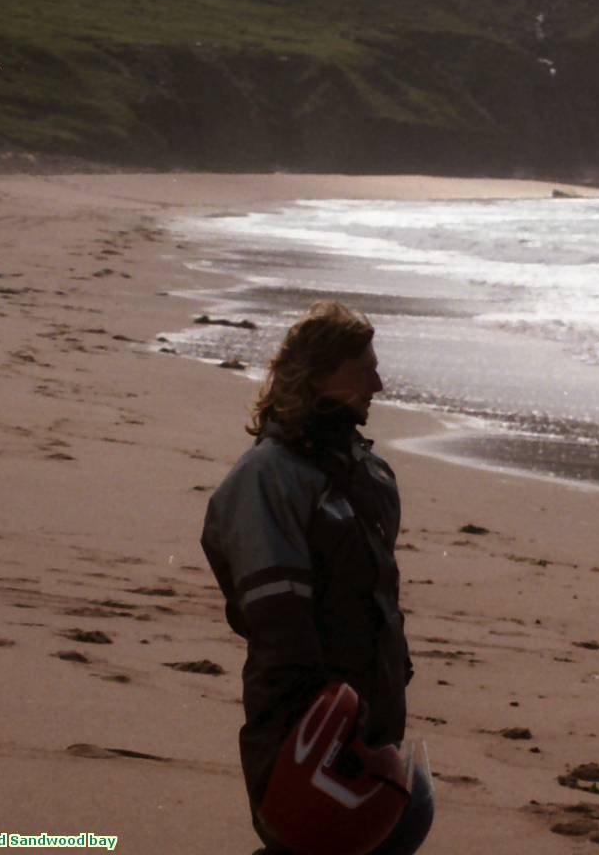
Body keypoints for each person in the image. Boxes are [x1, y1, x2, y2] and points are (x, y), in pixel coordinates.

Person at [201, 301, 432, 855]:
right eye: (364, 369)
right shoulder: (266, 478)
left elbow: (380, 599)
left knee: (403, 826)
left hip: (375, 713)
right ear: (320, 374)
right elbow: (273, 619)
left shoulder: (371, 474)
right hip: (304, 727)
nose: (378, 383)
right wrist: (325, 727)